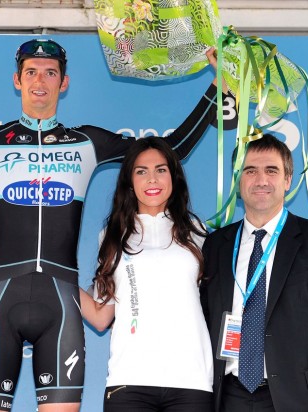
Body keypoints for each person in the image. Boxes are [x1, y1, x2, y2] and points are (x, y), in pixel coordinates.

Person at [0, 38, 230, 412]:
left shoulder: (86, 141)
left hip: (61, 302)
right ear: (17, 80)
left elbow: (171, 149)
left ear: (64, 83)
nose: (40, 80)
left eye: (50, 73)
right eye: (31, 72)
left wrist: (218, 87)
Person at [199, 133, 308, 412]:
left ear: (287, 180)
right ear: (238, 180)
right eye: (250, 170)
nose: (261, 180)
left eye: (271, 170)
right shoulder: (215, 246)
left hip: (300, 400)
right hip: (228, 398)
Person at [79, 137, 213, 411]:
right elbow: (101, 316)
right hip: (129, 380)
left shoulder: (198, 232)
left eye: (161, 170)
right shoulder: (112, 236)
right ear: (130, 181)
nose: (152, 179)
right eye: (141, 171)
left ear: (174, 177)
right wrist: (56, 274)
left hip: (192, 380)